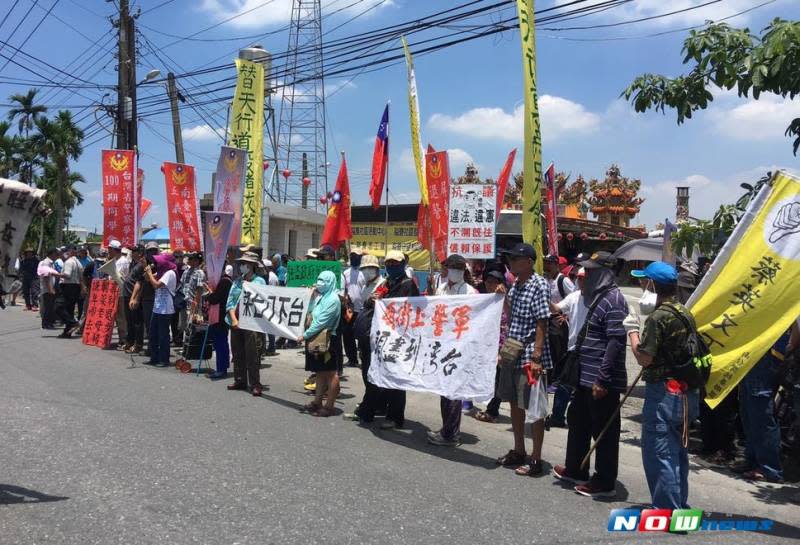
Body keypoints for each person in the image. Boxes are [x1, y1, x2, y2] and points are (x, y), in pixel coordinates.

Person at [553, 251, 628, 497]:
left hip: (600, 380)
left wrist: (602, 378)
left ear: (605, 274)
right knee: (578, 421)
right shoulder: (596, 297)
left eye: (592, 271)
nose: (586, 275)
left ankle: (604, 481)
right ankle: (576, 468)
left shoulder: (614, 299)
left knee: (603, 431)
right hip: (585, 376)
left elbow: (616, 342)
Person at [629, 261, 701, 509]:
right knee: (677, 452)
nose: (640, 284)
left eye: (643, 280)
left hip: (664, 393)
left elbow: (644, 357)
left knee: (660, 453)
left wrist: (632, 332)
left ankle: (667, 510)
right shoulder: (684, 311)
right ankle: (678, 504)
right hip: (685, 390)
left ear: (652, 284)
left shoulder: (658, 317)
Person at [494, 243, 551, 476]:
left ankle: (536, 459)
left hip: (529, 355)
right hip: (512, 351)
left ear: (528, 261)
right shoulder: (516, 285)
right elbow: (511, 314)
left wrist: (537, 356)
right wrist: (503, 298)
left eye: (515, 259)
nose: (511, 263)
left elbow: (542, 321)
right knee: (515, 403)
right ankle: (519, 449)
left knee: (534, 408)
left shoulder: (539, 284)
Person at [427, 254, 479, 447]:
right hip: (442, 344)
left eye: (458, 268)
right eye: (451, 267)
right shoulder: (441, 288)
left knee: (453, 392)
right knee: (444, 390)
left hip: (459, 346)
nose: (453, 271)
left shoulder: (470, 292)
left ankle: (450, 434)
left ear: (463, 270)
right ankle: (447, 429)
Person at [732, 333, 789, 482]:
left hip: (768, 353)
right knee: (748, 411)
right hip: (753, 351)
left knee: (761, 413)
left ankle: (769, 468)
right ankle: (752, 460)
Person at [374, 250, 419, 429]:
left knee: (397, 378)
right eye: (389, 264)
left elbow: (412, 309)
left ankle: (396, 416)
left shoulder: (408, 284)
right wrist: (376, 299)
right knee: (387, 374)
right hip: (387, 335)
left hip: (401, 336)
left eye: (395, 263)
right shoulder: (386, 282)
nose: (392, 267)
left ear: (403, 264)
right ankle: (384, 408)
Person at [344, 254, 385, 423]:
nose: (367, 272)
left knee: (370, 373)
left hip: (373, 336)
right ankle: (375, 405)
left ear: (376, 269)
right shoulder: (367, 285)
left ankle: (367, 410)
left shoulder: (382, 286)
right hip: (364, 335)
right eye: (365, 269)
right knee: (366, 372)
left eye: (371, 269)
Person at [547, 267, 589, 428]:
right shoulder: (574, 296)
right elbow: (557, 308)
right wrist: (545, 298)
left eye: (584, 277)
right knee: (565, 383)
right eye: (579, 277)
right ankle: (558, 416)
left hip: (590, 349)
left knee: (581, 387)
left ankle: (580, 418)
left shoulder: (598, 298)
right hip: (573, 348)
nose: (581, 280)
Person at [299, 270, 343, 417]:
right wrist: (311, 298)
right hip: (317, 338)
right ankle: (317, 401)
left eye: (323, 280)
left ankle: (329, 405)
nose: (319, 283)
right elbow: (311, 312)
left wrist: (304, 336)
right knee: (319, 372)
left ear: (330, 282)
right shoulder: (321, 297)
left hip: (328, 339)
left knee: (331, 373)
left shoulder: (333, 299)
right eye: (318, 279)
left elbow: (321, 322)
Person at [472, 270, 510, 424]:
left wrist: (503, 350)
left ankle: (492, 411)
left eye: (494, 281)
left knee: (498, 380)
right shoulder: (485, 299)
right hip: (488, 347)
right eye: (488, 281)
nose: (490, 284)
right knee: (491, 378)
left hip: (502, 346)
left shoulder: (506, 299)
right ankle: (490, 408)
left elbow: (510, 321)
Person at [226, 252, 266, 396]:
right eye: (241, 263)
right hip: (236, 321)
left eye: (245, 264)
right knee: (237, 352)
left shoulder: (260, 282)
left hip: (252, 323)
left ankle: (255, 384)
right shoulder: (236, 281)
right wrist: (234, 320)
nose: (242, 266)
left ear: (252, 266)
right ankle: (240, 380)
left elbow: (263, 303)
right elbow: (230, 302)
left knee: (253, 354)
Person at [144, 253, 177, 366]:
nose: (157, 264)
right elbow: (147, 278)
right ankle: (154, 357)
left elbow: (156, 284)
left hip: (166, 308)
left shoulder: (170, 273)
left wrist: (150, 274)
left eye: (158, 262)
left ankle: (164, 359)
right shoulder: (162, 272)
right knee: (153, 333)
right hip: (157, 307)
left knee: (163, 335)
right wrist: (147, 270)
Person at [204, 265, 233, 380]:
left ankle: (221, 369)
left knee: (220, 343)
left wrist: (210, 293)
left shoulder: (224, 282)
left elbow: (215, 299)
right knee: (221, 343)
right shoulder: (227, 281)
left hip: (219, 317)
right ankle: (223, 367)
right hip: (222, 317)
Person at [342, 248, 366, 368]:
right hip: (349, 309)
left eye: (356, 256)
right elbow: (344, 288)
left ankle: (364, 359)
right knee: (347, 333)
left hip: (362, 309)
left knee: (362, 335)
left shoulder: (365, 273)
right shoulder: (345, 273)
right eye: (352, 256)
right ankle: (352, 359)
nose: (353, 258)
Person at [177, 252, 205, 347]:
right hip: (184, 301)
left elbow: (199, 289)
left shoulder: (200, 272)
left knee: (192, 325)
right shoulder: (186, 271)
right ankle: (185, 345)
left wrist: (195, 303)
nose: (188, 260)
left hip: (193, 303)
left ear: (197, 261)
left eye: (191, 259)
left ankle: (191, 347)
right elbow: (182, 285)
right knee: (183, 325)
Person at [56, 245, 83, 338]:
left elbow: (67, 275)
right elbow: (81, 275)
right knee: (69, 310)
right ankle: (67, 332)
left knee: (58, 306)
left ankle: (73, 323)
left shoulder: (69, 262)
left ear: (69, 252)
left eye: (63, 252)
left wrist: (56, 274)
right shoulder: (77, 262)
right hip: (75, 287)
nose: (61, 255)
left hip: (67, 286)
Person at [123, 246, 145, 353]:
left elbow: (141, 283)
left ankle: (138, 344)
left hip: (133, 296)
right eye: (131, 251)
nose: (132, 253)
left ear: (140, 252)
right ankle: (129, 341)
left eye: (134, 251)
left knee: (137, 321)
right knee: (129, 321)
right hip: (127, 294)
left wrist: (136, 298)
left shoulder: (142, 264)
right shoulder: (133, 263)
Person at [108, 240, 129, 349]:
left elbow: (117, 276)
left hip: (120, 292)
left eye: (109, 249)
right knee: (118, 317)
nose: (108, 251)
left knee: (121, 317)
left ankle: (124, 340)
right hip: (115, 292)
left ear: (113, 249)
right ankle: (122, 339)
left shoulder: (122, 261)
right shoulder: (116, 260)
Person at [37, 248, 60, 329]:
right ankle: (46, 324)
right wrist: (50, 289)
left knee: (50, 306)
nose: (57, 256)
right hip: (47, 289)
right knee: (48, 307)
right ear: (52, 253)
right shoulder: (46, 262)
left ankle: (49, 323)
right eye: (56, 254)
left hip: (50, 287)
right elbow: (46, 276)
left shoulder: (51, 262)